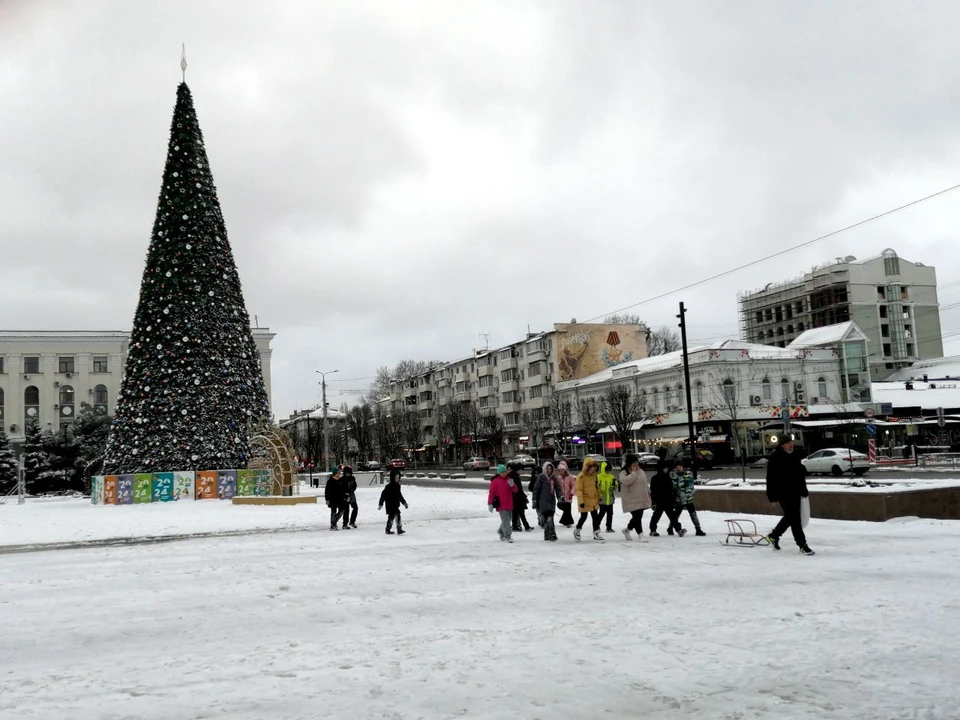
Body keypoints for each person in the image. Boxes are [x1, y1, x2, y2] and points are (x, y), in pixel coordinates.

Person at [765, 437, 815, 555]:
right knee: (795, 518)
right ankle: (802, 545)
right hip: (783, 493)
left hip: (796, 492)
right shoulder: (776, 457)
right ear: (782, 445)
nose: (791, 445)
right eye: (788, 443)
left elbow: (800, 475)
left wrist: (803, 490)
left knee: (790, 517)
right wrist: (771, 496)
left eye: (791, 443)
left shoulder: (794, 456)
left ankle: (774, 535)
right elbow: (771, 478)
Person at [619, 453, 651, 541]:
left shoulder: (640, 471)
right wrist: (633, 473)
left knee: (637, 517)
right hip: (630, 499)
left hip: (641, 498)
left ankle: (627, 530)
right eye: (634, 463)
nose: (636, 464)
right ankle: (641, 535)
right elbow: (625, 481)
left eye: (637, 462)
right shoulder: (624, 472)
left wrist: (649, 492)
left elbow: (644, 483)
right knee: (637, 517)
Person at [649, 460, 684, 537]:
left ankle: (678, 529)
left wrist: (673, 499)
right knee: (657, 516)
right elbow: (653, 491)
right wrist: (654, 502)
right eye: (665, 468)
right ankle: (653, 530)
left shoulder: (667, 477)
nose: (666, 470)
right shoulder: (655, 478)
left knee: (672, 516)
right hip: (660, 501)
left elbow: (671, 490)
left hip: (667, 501)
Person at [671, 459, 705, 536]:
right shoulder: (673, 475)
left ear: (682, 466)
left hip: (688, 497)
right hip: (679, 498)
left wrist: (688, 493)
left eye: (679, 466)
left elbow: (690, 484)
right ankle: (670, 527)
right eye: (677, 467)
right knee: (676, 514)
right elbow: (674, 486)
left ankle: (698, 528)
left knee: (693, 513)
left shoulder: (688, 473)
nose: (678, 468)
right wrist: (679, 493)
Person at [574, 457, 604, 542]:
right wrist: (581, 502)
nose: (593, 471)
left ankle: (596, 532)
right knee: (584, 517)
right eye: (591, 469)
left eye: (594, 469)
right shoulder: (581, 477)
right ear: (587, 468)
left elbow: (596, 487)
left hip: (593, 500)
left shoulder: (594, 476)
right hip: (584, 500)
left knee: (595, 517)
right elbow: (579, 490)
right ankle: (577, 530)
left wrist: (599, 497)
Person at [487, 465, 519, 543]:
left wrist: (513, 485)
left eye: (505, 471)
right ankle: (508, 536)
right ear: (499, 473)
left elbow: (515, 490)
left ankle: (501, 531)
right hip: (501, 505)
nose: (504, 473)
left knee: (508, 520)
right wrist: (490, 503)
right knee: (506, 521)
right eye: (502, 472)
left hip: (509, 504)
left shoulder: (509, 480)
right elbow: (491, 493)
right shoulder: (495, 482)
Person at [532, 461, 560, 541]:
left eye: (550, 469)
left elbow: (557, 488)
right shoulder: (541, 477)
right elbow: (536, 489)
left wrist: (560, 496)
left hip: (551, 500)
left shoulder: (553, 478)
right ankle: (552, 534)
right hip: (543, 500)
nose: (548, 470)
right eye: (547, 469)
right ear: (544, 469)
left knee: (550, 517)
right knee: (549, 517)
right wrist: (534, 500)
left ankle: (546, 535)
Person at [378, 468, 408, 535]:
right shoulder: (388, 487)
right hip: (390, 505)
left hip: (395, 505)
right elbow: (383, 495)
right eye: (396, 477)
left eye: (398, 477)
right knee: (391, 517)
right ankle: (389, 529)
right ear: (392, 478)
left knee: (397, 516)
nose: (398, 478)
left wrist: (404, 503)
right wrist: (380, 504)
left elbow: (399, 495)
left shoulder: (398, 486)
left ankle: (397, 529)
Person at [597, 461, 619, 533]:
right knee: (601, 513)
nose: (608, 471)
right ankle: (597, 525)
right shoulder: (598, 477)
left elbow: (616, 485)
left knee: (610, 514)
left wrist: (614, 486)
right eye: (607, 470)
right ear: (603, 469)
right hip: (602, 499)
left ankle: (609, 527)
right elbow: (596, 487)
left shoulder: (612, 477)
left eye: (609, 470)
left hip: (610, 499)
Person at [323, 467, 347, 531]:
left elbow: (343, 490)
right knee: (333, 511)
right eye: (338, 473)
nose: (339, 474)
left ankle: (335, 520)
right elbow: (327, 491)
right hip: (332, 499)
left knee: (342, 510)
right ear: (334, 473)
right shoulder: (330, 481)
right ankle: (333, 525)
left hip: (340, 499)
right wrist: (327, 499)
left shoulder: (340, 481)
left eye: (339, 473)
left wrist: (345, 496)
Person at [556, 461, 576, 527]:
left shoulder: (570, 477)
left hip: (568, 496)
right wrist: (559, 495)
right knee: (561, 507)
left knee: (568, 509)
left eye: (562, 470)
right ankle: (565, 521)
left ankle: (568, 522)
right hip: (561, 497)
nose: (561, 472)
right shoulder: (558, 478)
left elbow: (573, 486)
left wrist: (571, 493)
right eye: (559, 470)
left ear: (565, 470)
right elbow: (557, 487)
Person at [342, 465, 359, 529]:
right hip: (345, 495)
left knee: (355, 508)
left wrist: (352, 490)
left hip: (351, 495)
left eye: (348, 472)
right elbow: (342, 488)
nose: (348, 474)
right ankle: (345, 524)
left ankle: (352, 521)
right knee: (346, 510)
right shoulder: (342, 479)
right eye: (346, 473)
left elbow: (355, 485)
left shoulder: (352, 478)